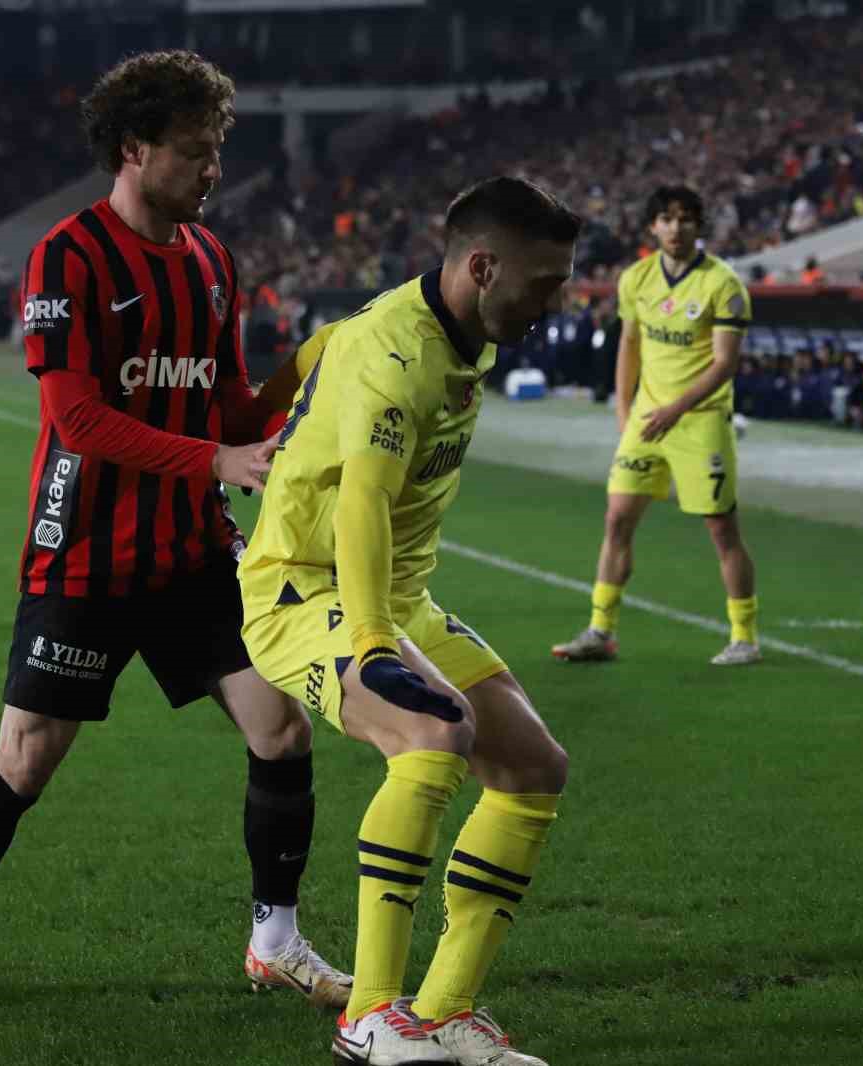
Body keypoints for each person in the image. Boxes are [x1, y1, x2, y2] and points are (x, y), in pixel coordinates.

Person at [0, 50, 350, 1023]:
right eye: (194, 150)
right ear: (135, 149)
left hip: (194, 553)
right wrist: (218, 459)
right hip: (85, 553)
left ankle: (275, 941)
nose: (212, 169)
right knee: (24, 761)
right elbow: (79, 418)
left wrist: (307, 371)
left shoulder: (212, 261)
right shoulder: (68, 256)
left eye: (217, 149)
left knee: (282, 728)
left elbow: (225, 404)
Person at [239, 176, 576, 1066]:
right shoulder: (398, 354)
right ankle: (371, 1015)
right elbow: (362, 504)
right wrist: (371, 642)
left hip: (397, 595)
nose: (553, 303)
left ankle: (447, 1011)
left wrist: (254, 415)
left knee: (534, 767)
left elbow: (322, 345)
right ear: (482, 266)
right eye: (543, 283)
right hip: (303, 590)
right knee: (433, 733)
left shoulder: (455, 327)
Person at [552, 186, 760, 666]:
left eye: (685, 218)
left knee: (721, 529)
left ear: (698, 226)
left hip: (700, 422)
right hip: (646, 421)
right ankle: (600, 631)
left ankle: (744, 636)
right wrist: (624, 411)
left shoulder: (723, 284)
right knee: (617, 520)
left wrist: (676, 409)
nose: (675, 227)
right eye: (666, 218)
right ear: (652, 226)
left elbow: (725, 364)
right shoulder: (636, 279)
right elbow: (629, 344)